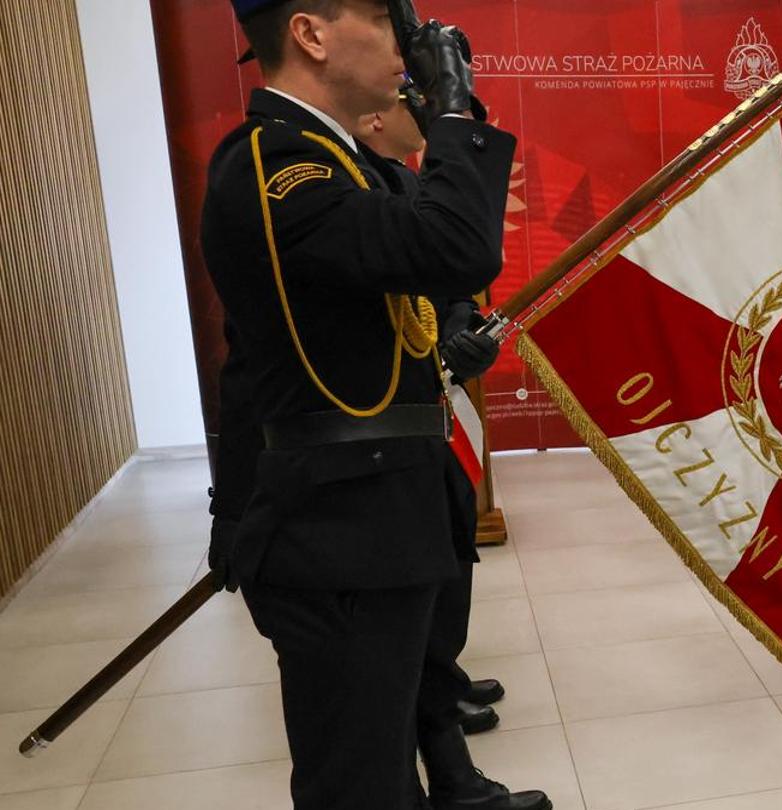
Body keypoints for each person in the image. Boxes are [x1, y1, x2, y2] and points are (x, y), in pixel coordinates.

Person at [202, 1, 520, 807]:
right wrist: (452, 112)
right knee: (359, 783)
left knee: (382, 766)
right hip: (337, 529)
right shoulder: (280, 165)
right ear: (310, 34)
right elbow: (453, 248)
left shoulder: (333, 159)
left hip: (370, 514)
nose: (406, 51)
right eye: (383, 22)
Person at [355, 96, 546, 810]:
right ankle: (447, 758)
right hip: (380, 438)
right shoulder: (344, 191)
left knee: (451, 557)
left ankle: (448, 695)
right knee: (408, 611)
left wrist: (463, 334)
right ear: (374, 121)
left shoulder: (409, 189)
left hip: (430, 421)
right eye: (411, 102)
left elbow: (455, 286)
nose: (426, 115)